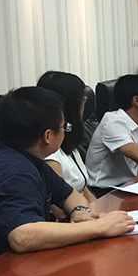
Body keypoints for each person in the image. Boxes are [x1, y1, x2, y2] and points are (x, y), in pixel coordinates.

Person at [0, 87, 135, 255]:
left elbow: (69, 195)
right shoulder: (16, 171)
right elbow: (22, 236)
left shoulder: (30, 158)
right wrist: (99, 227)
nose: (66, 130)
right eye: (64, 126)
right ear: (48, 136)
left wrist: (79, 211)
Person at [37, 71, 97, 204]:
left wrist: (102, 210)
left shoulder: (68, 138)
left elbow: (83, 188)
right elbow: (58, 207)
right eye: (82, 99)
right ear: (71, 106)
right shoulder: (49, 152)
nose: (84, 105)